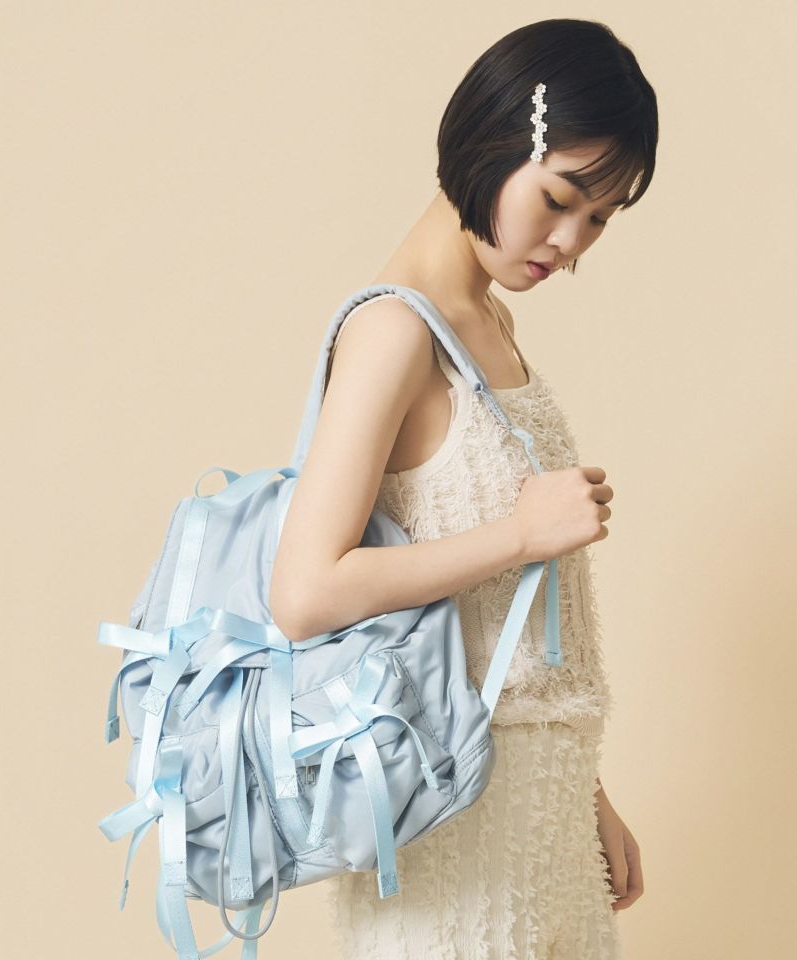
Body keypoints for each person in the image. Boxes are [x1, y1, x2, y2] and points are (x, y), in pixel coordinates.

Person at [270, 17, 657, 960]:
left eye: (600, 219)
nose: (570, 242)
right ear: (494, 139)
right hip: (452, 829)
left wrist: (588, 795)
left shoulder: (486, 320)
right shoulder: (392, 331)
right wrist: (521, 534)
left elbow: (503, 633)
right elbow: (305, 592)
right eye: (560, 198)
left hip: (545, 822)